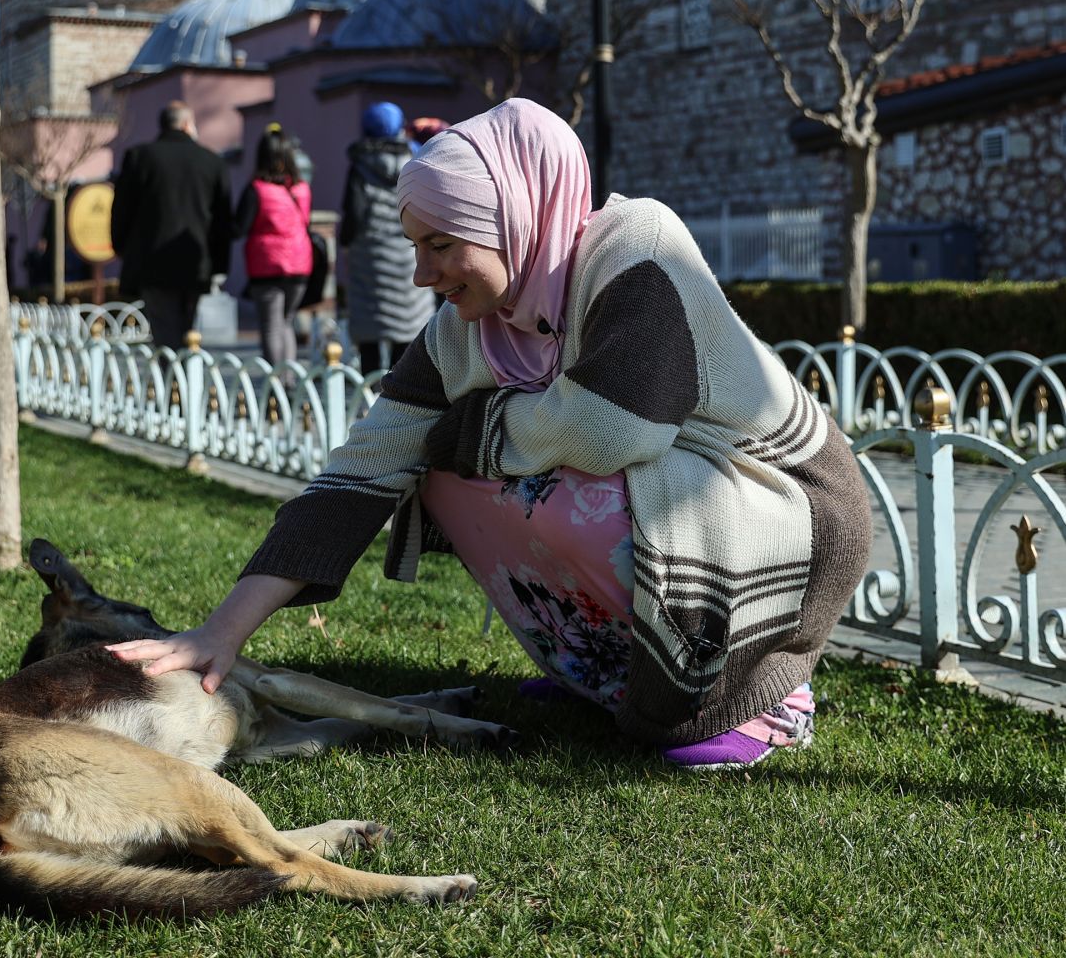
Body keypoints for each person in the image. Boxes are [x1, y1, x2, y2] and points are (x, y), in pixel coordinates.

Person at [111, 98, 872, 772]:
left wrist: (475, 429)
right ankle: (612, 679)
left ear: (509, 216)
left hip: (787, 507)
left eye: (441, 245)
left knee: (550, 479)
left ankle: (765, 697)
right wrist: (219, 632)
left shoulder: (636, 246)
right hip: (691, 499)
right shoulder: (469, 329)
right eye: (414, 247)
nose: (421, 275)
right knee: (445, 471)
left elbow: (613, 431)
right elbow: (361, 469)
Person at [110, 102, 233, 349]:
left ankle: (173, 381)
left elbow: (122, 210)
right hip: (196, 261)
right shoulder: (211, 161)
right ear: (188, 124)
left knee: (164, 330)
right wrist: (218, 264)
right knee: (188, 327)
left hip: (152, 261)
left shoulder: (139, 158)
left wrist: (122, 248)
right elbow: (222, 221)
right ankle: (184, 379)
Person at [340, 102, 436, 373]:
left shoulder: (359, 165)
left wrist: (346, 242)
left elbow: (354, 214)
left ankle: (368, 392)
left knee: (371, 329)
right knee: (406, 327)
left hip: (370, 257)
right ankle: (401, 392)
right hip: (408, 253)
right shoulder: (415, 159)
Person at [233, 129, 313, 367]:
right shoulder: (302, 188)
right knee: (286, 321)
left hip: (267, 266)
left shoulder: (256, 189)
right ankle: (289, 380)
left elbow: (239, 228)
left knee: (270, 325)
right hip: (300, 264)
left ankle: (276, 385)